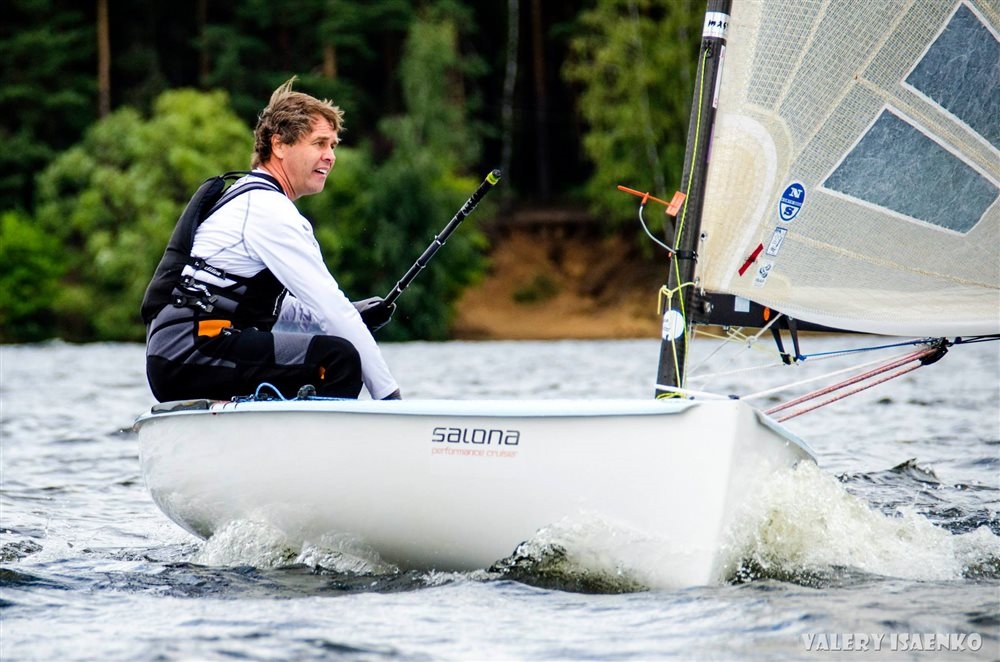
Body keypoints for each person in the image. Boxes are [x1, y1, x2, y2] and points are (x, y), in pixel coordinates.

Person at [142, 77, 401, 402]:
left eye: (333, 145)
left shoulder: (250, 197)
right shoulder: (268, 209)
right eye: (319, 143)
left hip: (178, 355)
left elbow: (277, 307)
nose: (330, 156)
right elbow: (330, 309)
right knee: (338, 359)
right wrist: (390, 400)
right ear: (278, 145)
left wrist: (353, 311)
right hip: (191, 352)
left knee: (325, 353)